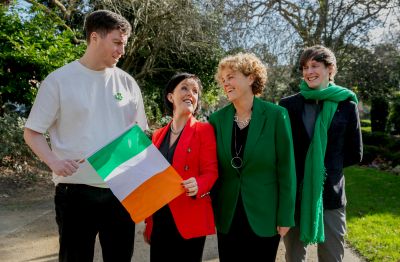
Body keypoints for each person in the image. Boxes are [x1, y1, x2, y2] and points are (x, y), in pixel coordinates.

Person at [23, 10, 147, 262]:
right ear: (94, 38)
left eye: (124, 44)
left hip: (120, 191)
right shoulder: (58, 80)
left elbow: (138, 135)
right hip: (75, 192)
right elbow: (32, 131)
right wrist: (54, 162)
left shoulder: (128, 83)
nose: (121, 50)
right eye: (117, 43)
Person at [208, 52, 296, 261]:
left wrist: (285, 216)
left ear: (251, 78)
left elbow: (287, 170)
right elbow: (212, 168)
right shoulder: (216, 120)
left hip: (265, 214)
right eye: (223, 80)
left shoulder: (276, 115)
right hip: (227, 215)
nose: (226, 83)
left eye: (231, 77)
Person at [279, 45, 363, 262]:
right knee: (294, 257)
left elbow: (355, 153)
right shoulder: (287, 105)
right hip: (295, 195)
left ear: (330, 69)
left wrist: (324, 168)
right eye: (305, 67)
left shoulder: (346, 104)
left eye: (315, 66)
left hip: (331, 194)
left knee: (332, 257)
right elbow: (282, 150)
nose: (309, 72)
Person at [143, 73, 218, 262]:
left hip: (189, 217)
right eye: (184, 88)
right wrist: (149, 222)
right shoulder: (157, 135)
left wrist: (198, 184)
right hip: (160, 218)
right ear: (170, 96)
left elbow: (211, 172)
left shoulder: (204, 130)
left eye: (195, 91)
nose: (190, 94)